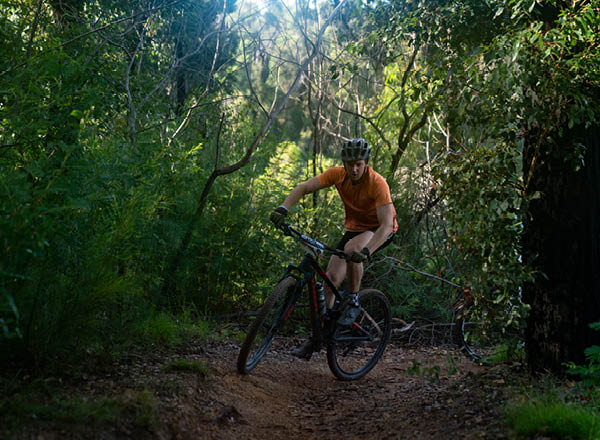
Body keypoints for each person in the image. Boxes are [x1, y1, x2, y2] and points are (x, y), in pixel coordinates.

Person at [270, 138, 398, 360]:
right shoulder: (338, 174)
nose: (354, 168)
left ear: (366, 162)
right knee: (330, 279)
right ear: (344, 164)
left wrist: (367, 252)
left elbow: (386, 225)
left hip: (379, 229)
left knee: (352, 250)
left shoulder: (378, 183)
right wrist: (283, 208)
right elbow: (304, 187)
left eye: (359, 163)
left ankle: (354, 300)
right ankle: (319, 335)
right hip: (355, 229)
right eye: (350, 164)